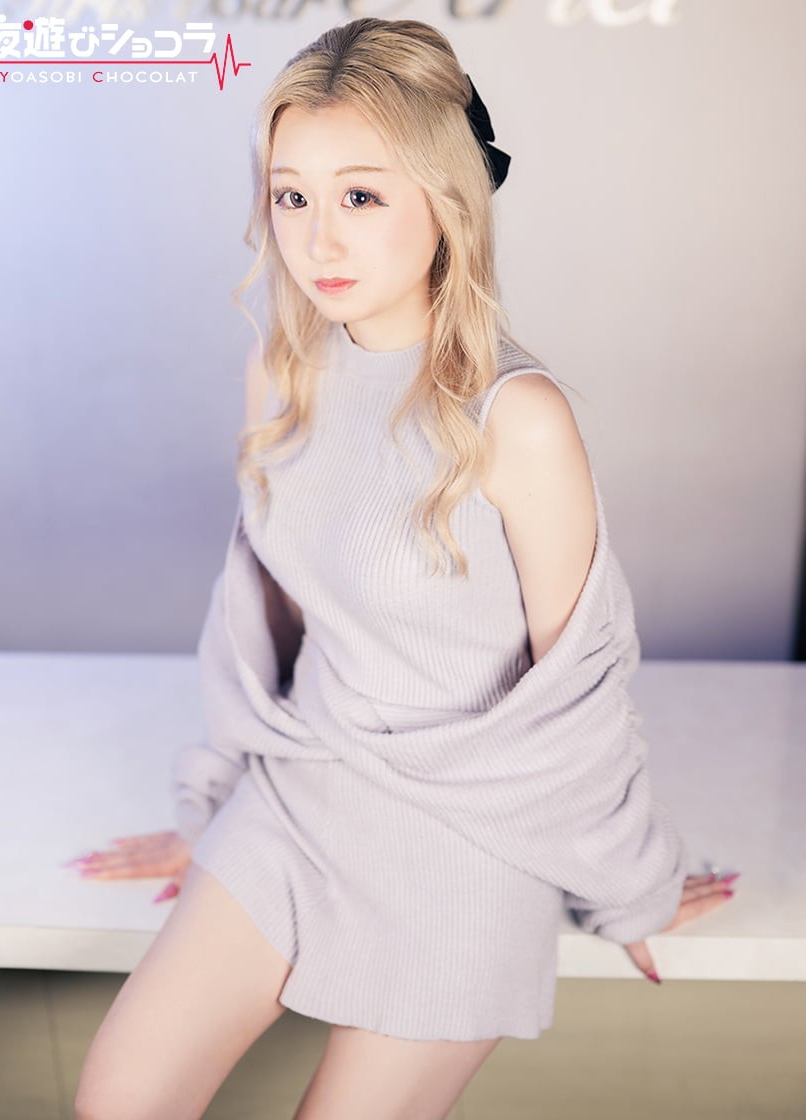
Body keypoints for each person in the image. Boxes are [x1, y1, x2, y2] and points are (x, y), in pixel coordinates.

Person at [71, 16, 736, 1120]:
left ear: (446, 200)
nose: (318, 238)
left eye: (362, 196)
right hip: (303, 785)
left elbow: (576, 688)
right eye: (292, 196)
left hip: (469, 832)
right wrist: (212, 800)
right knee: (119, 1102)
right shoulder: (281, 373)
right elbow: (262, 622)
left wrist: (633, 887)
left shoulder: (518, 418)